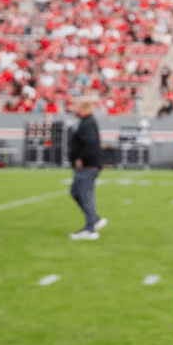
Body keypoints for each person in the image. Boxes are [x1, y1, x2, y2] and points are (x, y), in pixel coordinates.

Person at [67, 96, 106, 240]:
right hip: (87, 165)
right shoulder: (86, 122)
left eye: (77, 106)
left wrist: (80, 159)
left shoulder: (88, 123)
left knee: (85, 195)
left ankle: (90, 229)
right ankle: (94, 219)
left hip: (87, 166)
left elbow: (89, 143)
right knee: (75, 192)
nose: (74, 109)